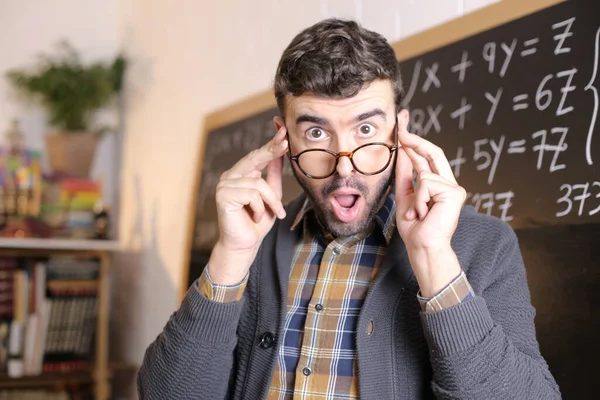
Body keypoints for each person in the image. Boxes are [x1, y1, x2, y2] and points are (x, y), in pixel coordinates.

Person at [137, 18, 561, 400]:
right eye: (317, 132)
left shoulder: (484, 245)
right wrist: (229, 258)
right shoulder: (252, 241)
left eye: (365, 128)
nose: (344, 163)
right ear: (283, 138)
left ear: (401, 130)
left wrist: (435, 261)